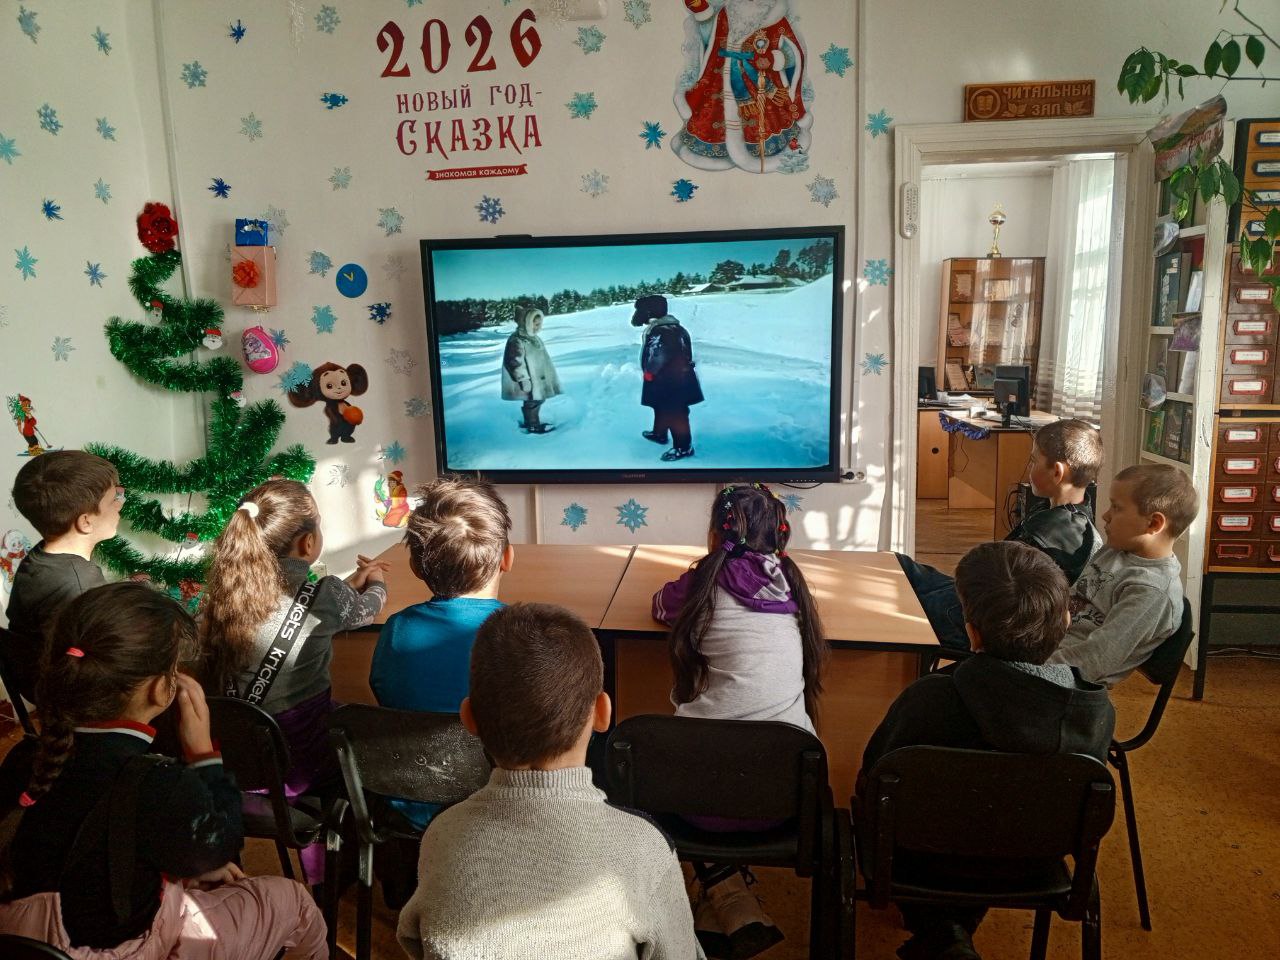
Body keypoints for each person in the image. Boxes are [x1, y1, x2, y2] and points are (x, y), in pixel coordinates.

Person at [0, 582, 327, 959]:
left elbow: (84, 850)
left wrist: (181, 868)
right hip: (120, 951)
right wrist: (204, 753)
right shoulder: (159, 783)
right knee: (295, 902)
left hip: (26, 944)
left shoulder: (25, 757)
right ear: (161, 689)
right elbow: (222, 845)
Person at [396, 602, 701, 960]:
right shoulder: (644, 848)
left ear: (469, 718)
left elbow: (415, 940)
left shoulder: (441, 834)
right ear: (602, 713)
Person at [858, 541, 1115, 960]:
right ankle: (948, 931)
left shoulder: (930, 698)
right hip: (1033, 861)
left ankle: (944, 931)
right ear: (1067, 621)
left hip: (922, 862)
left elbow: (873, 779)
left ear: (971, 630)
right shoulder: (1094, 711)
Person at [652, 482, 825, 957]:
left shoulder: (703, 583)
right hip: (783, 797)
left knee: (664, 758)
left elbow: (659, 605)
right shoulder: (792, 583)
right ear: (781, 536)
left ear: (714, 535)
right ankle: (727, 898)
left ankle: (722, 889)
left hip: (694, 800)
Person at [197, 478, 389, 883]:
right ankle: (334, 873)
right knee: (365, 733)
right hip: (301, 758)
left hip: (237, 755)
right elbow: (367, 611)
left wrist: (344, 588)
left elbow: (286, 611)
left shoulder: (223, 597)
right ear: (307, 542)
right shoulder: (326, 595)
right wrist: (375, 582)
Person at [368, 476, 512, 905]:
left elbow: (384, 694)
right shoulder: (520, 635)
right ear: (507, 558)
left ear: (415, 567)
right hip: (499, 813)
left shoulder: (396, 630)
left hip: (411, 805)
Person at [898, 418, 1103, 650]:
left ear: (1057, 472)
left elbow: (1004, 591)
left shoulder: (1054, 532)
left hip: (986, 620)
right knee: (901, 565)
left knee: (902, 598)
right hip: (982, 600)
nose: (1029, 468)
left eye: (1033, 461)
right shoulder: (1067, 517)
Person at [1049, 463, 1197, 686]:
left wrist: (1030, 669)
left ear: (1154, 523)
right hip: (1046, 648)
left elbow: (1095, 659)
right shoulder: (1116, 551)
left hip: (1066, 685)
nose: (1105, 515)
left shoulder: (1151, 593)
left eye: (1116, 508)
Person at [4, 450, 121, 703]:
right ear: (85, 522)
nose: (120, 505)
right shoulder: (80, 585)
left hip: (34, 679)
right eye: (114, 500)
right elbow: (104, 658)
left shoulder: (39, 556)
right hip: (69, 694)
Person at [672, 0, 812, 174]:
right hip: (719, 81)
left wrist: (773, 59)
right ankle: (719, 153)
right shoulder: (726, 13)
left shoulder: (775, 18)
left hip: (760, 84)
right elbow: (710, 39)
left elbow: (794, 53)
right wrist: (701, 10)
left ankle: (763, 153)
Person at [633, 294, 704, 462]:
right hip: (677, 377)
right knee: (661, 406)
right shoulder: (675, 328)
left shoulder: (661, 330)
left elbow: (658, 355)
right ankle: (660, 433)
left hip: (668, 380)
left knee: (675, 412)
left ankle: (683, 447)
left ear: (649, 312)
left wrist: (650, 372)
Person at [501, 305, 562, 434]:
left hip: (538, 378)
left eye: (540, 324)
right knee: (533, 401)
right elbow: (514, 362)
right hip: (528, 379)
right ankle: (533, 425)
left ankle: (530, 422)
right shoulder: (517, 340)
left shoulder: (533, 338)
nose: (538, 327)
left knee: (536, 400)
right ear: (527, 323)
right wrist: (523, 379)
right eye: (535, 324)